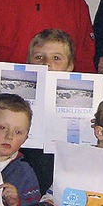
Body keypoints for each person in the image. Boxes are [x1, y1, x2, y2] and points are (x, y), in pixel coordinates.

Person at [22, 29, 76, 194]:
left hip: (65, 176)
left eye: (56, 58)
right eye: (39, 57)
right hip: (24, 173)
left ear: (70, 66)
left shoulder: (82, 103)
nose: (46, 63)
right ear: (28, 62)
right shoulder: (13, 100)